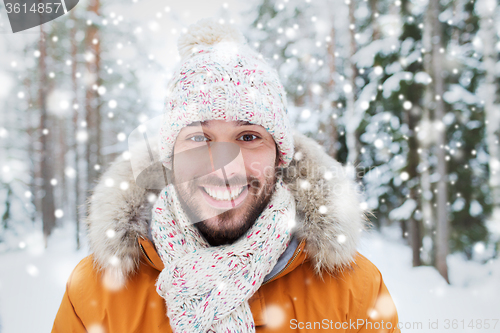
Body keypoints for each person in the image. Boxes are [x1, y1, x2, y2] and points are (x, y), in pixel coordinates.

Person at [52, 18, 400, 333]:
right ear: (169, 156)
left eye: (248, 137)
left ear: (280, 156)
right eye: (199, 138)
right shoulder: (95, 295)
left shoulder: (355, 292)